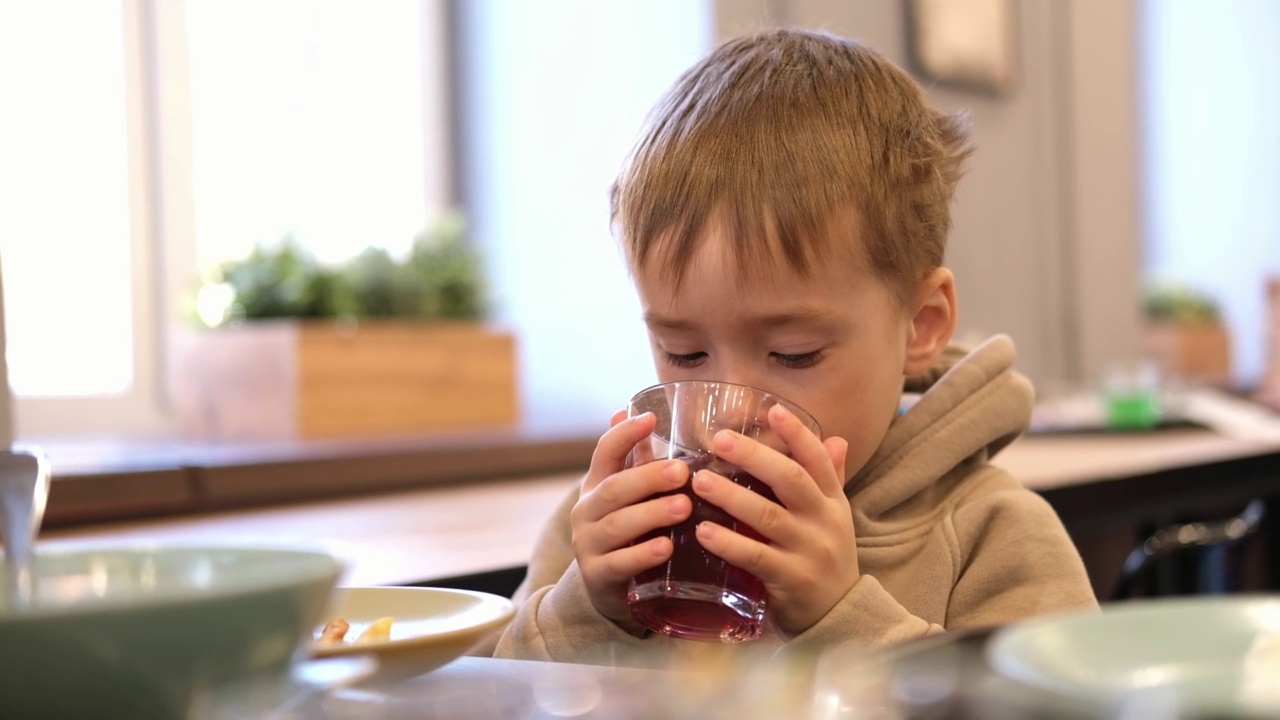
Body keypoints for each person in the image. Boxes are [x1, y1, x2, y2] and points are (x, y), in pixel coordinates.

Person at [486, 27, 1098, 665]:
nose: (732, 419)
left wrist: (844, 619)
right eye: (684, 354)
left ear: (920, 326)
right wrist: (589, 610)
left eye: (795, 354)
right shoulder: (612, 522)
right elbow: (496, 700)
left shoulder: (991, 536)